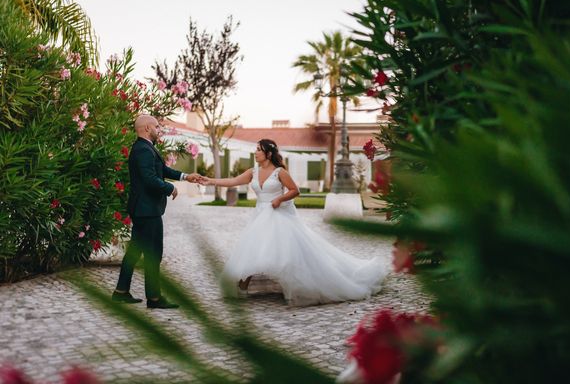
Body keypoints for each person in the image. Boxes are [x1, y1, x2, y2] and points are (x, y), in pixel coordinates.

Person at [198, 138, 387, 306]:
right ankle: (242, 287)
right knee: (253, 248)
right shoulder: (252, 172)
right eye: (255, 149)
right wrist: (209, 180)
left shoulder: (279, 172)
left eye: (258, 149)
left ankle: (295, 288)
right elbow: (232, 181)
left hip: (278, 216)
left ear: (268, 153)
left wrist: (279, 199)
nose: (255, 152)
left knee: (285, 253)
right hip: (260, 216)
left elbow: (295, 190)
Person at [112, 114, 200, 309]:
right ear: (146, 129)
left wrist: (186, 176)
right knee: (154, 253)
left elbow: (161, 170)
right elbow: (150, 179)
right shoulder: (143, 150)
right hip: (147, 210)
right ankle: (154, 298)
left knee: (134, 252)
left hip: (143, 209)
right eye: (157, 127)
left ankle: (121, 292)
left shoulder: (145, 148)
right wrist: (171, 188)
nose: (159, 130)